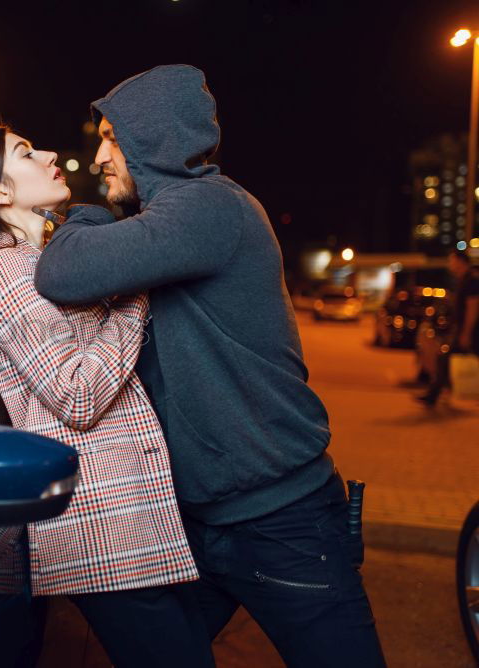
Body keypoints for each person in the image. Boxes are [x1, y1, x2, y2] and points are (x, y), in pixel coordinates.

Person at [34, 65, 386, 667]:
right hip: (199, 523)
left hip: (282, 522)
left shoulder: (211, 209)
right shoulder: (168, 224)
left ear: (154, 138)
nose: (97, 158)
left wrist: (88, 217)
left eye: (111, 138)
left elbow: (62, 271)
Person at [0, 123, 214, 667]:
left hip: (127, 517)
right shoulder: (8, 273)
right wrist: (135, 293)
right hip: (100, 524)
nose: (47, 153)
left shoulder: (44, 262)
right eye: (25, 152)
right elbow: (78, 394)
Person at [417, 248, 479, 405]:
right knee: (443, 360)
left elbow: (472, 308)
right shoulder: (464, 280)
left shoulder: (472, 280)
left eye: (452, 261)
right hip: (465, 329)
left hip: (472, 331)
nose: (450, 264)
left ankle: (433, 395)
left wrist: (466, 333)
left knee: (443, 359)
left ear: (461, 262)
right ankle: (434, 394)